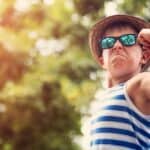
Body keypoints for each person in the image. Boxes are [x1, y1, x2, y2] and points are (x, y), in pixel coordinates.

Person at [88, 14, 150, 149]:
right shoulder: (102, 100)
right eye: (108, 42)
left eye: (128, 39)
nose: (116, 45)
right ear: (102, 61)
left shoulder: (138, 85)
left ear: (144, 56)